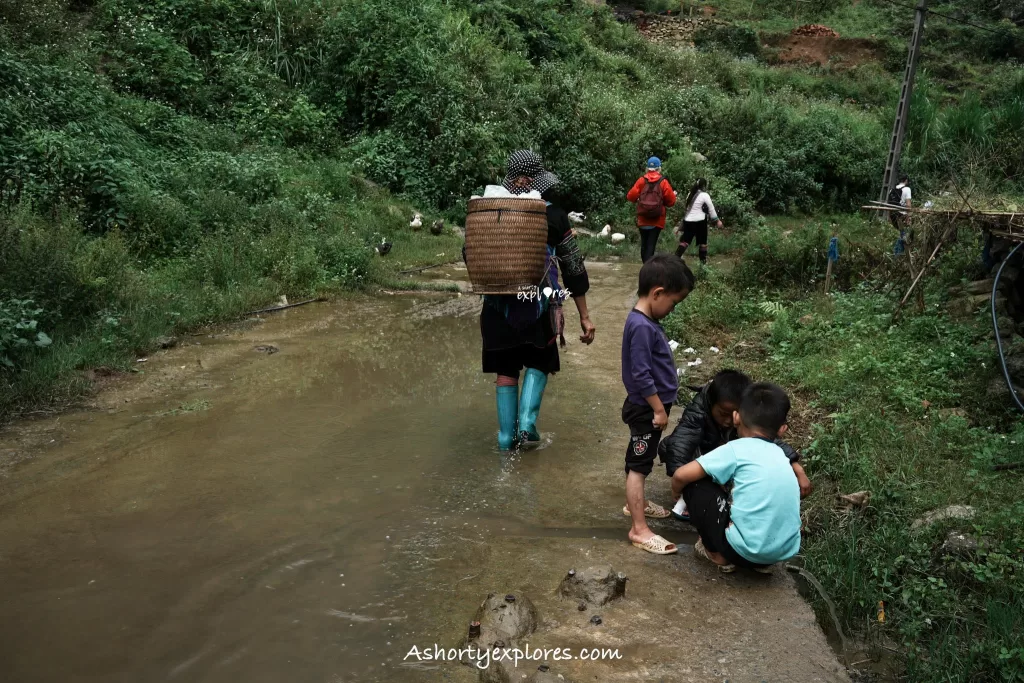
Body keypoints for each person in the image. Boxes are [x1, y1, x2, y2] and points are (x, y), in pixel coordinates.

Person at [474, 150, 597, 451]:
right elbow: (572, 266)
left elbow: (471, 254)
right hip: (538, 307)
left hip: (497, 307)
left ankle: (506, 440)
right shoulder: (552, 214)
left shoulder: (487, 211)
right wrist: (584, 315)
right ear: (537, 179)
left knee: (506, 370)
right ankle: (527, 425)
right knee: (539, 361)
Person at [670, 382, 801, 573]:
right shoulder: (782, 457)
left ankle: (716, 554)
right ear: (782, 430)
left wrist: (676, 491)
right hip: (782, 551)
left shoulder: (735, 449)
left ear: (736, 417)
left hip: (740, 551)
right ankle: (763, 563)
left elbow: (681, 474)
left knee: (694, 483)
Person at [658, 369, 813, 521]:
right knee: (669, 446)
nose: (729, 421)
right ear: (711, 402)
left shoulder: (747, 419)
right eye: (723, 414)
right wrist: (683, 485)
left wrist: (797, 468)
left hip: (725, 458)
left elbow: (767, 438)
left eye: (734, 414)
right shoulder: (698, 409)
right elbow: (682, 440)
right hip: (706, 455)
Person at [621, 254, 696, 555]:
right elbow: (640, 373)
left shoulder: (646, 321)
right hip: (646, 410)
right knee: (639, 467)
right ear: (657, 293)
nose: (672, 309)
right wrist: (659, 408)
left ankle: (633, 504)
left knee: (639, 459)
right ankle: (639, 530)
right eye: (674, 303)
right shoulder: (641, 327)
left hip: (648, 408)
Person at [626, 157, 677, 263]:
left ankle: (645, 267)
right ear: (659, 168)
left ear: (647, 168)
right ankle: (648, 270)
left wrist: (640, 199)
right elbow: (671, 202)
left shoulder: (641, 181)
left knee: (644, 245)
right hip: (657, 219)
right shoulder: (663, 182)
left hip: (643, 218)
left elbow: (630, 196)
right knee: (651, 245)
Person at [674, 178, 722, 265]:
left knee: (685, 241)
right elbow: (711, 209)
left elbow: (687, 208)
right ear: (704, 186)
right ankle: (703, 264)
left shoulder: (690, 194)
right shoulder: (705, 195)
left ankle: (675, 258)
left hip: (688, 221)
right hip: (700, 221)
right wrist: (717, 221)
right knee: (703, 242)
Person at [889, 174, 912, 247]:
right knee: (906, 233)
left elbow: (889, 204)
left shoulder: (892, 190)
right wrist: (908, 217)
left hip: (893, 215)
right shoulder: (907, 189)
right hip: (902, 215)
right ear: (906, 180)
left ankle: (898, 250)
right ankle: (900, 251)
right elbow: (908, 205)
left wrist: (890, 217)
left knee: (900, 233)